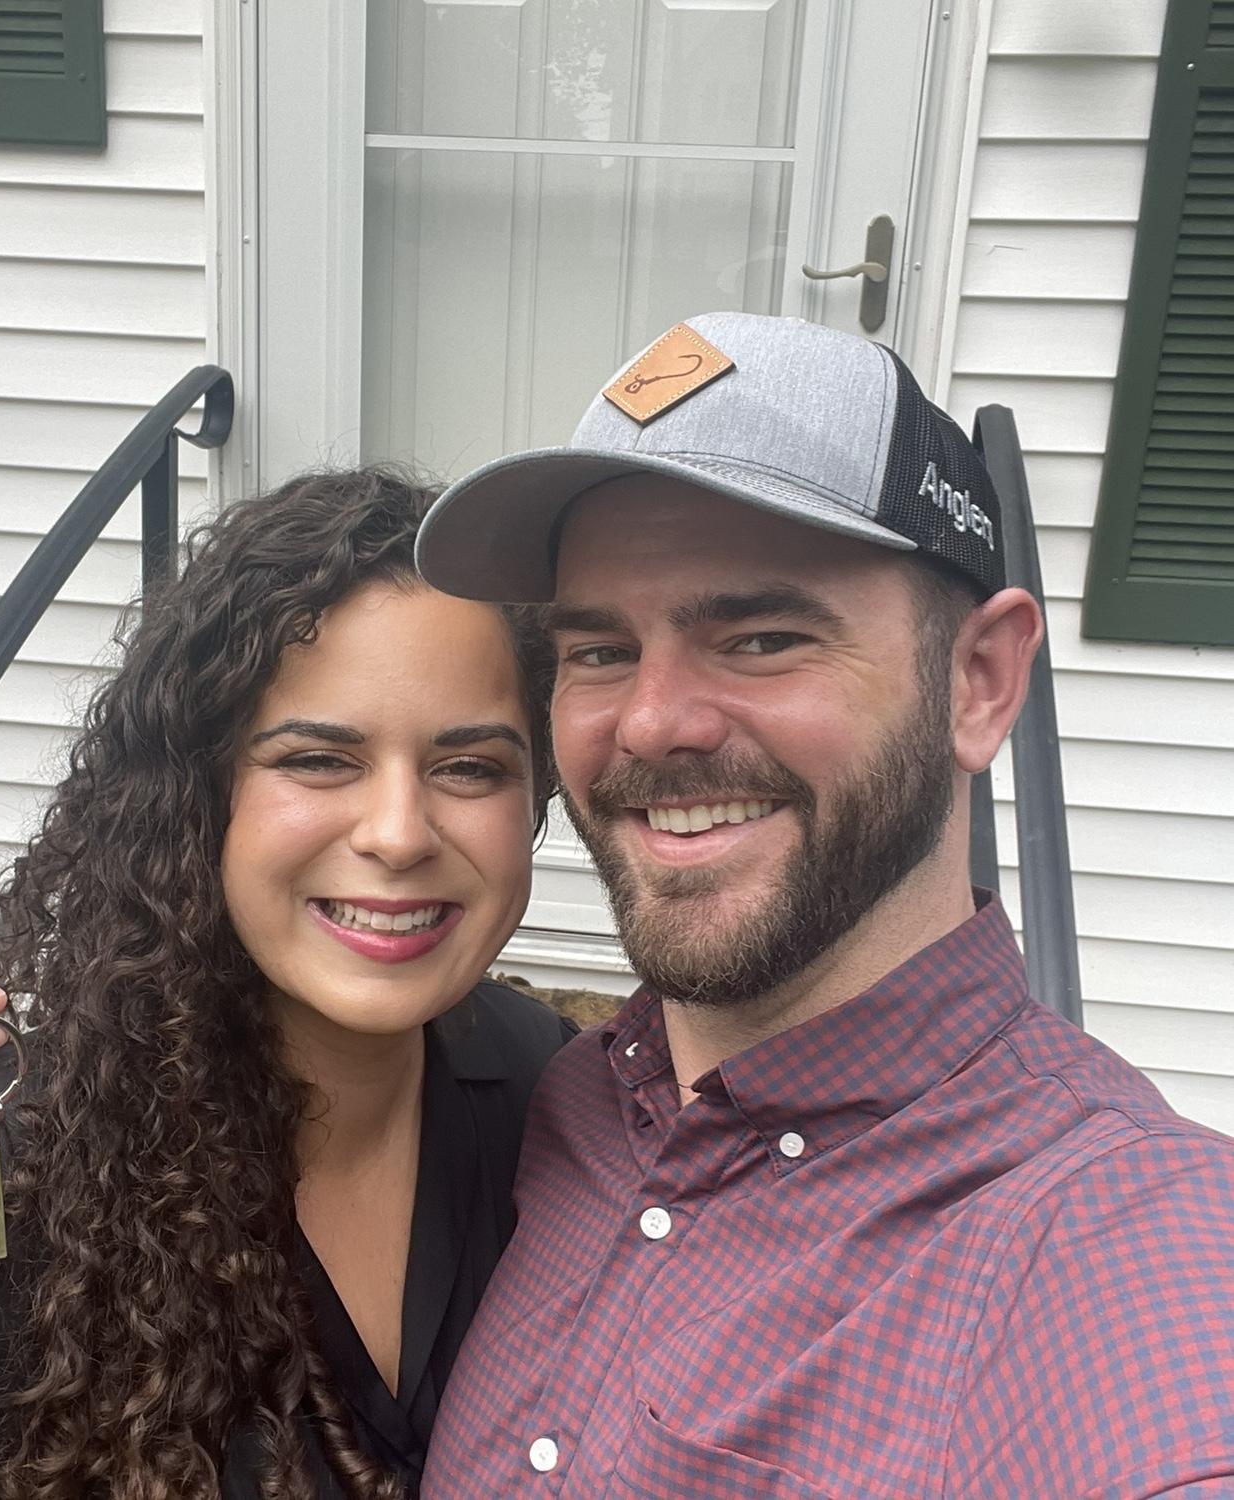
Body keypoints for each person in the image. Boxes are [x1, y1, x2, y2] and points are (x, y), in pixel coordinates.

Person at [412, 312, 1234, 1497]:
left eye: (760, 638)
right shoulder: (577, 1102)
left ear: (980, 681)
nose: (651, 721)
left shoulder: (1116, 1247)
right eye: (598, 651)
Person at [0, 468, 574, 1500]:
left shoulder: (559, 1096)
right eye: (318, 760)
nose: (400, 835)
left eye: (471, 767)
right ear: (199, 796)